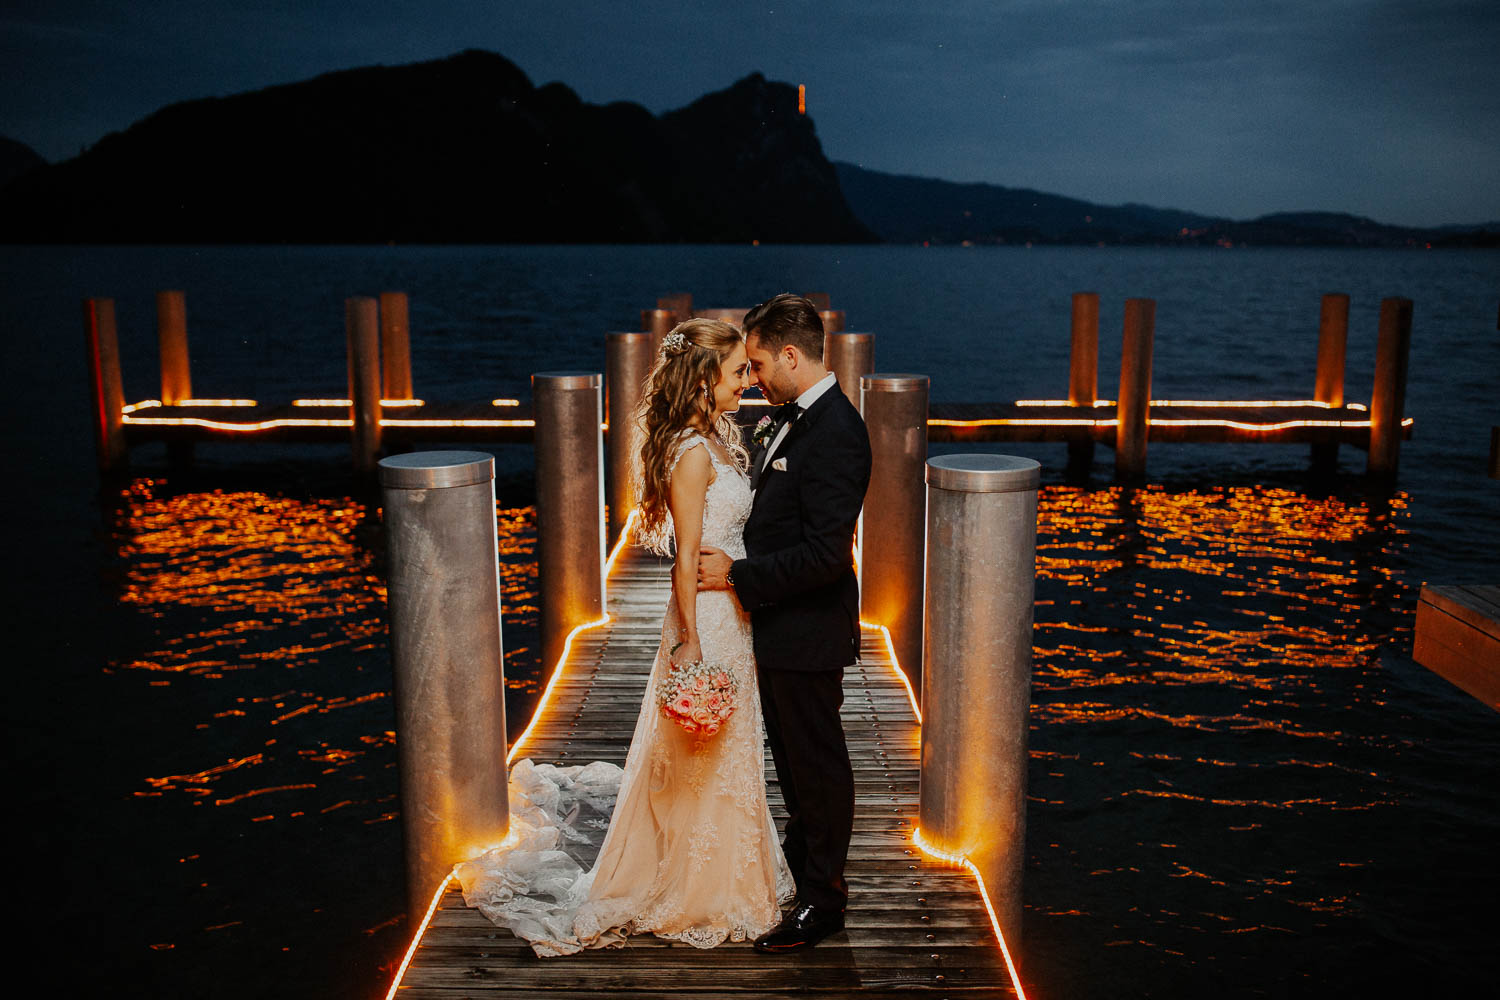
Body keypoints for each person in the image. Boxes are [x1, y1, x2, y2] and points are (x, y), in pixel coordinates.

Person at [453, 318, 794, 956]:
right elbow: (685, 559)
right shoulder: (692, 455)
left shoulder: (715, 440)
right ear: (702, 382)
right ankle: (696, 886)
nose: (747, 380)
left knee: (728, 749)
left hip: (735, 614)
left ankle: (729, 871)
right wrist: (690, 641)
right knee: (703, 754)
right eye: (736, 371)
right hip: (710, 621)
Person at [697, 294, 873, 952]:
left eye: (762, 362)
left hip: (808, 632)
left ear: (793, 356)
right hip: (776, 628)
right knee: (797, 770)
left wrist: (737, 578)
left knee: (818, 768)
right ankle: (805, 881)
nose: (756, 376)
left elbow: (828, 557)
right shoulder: (790, 420)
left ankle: (825, 904)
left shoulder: (837, 432)